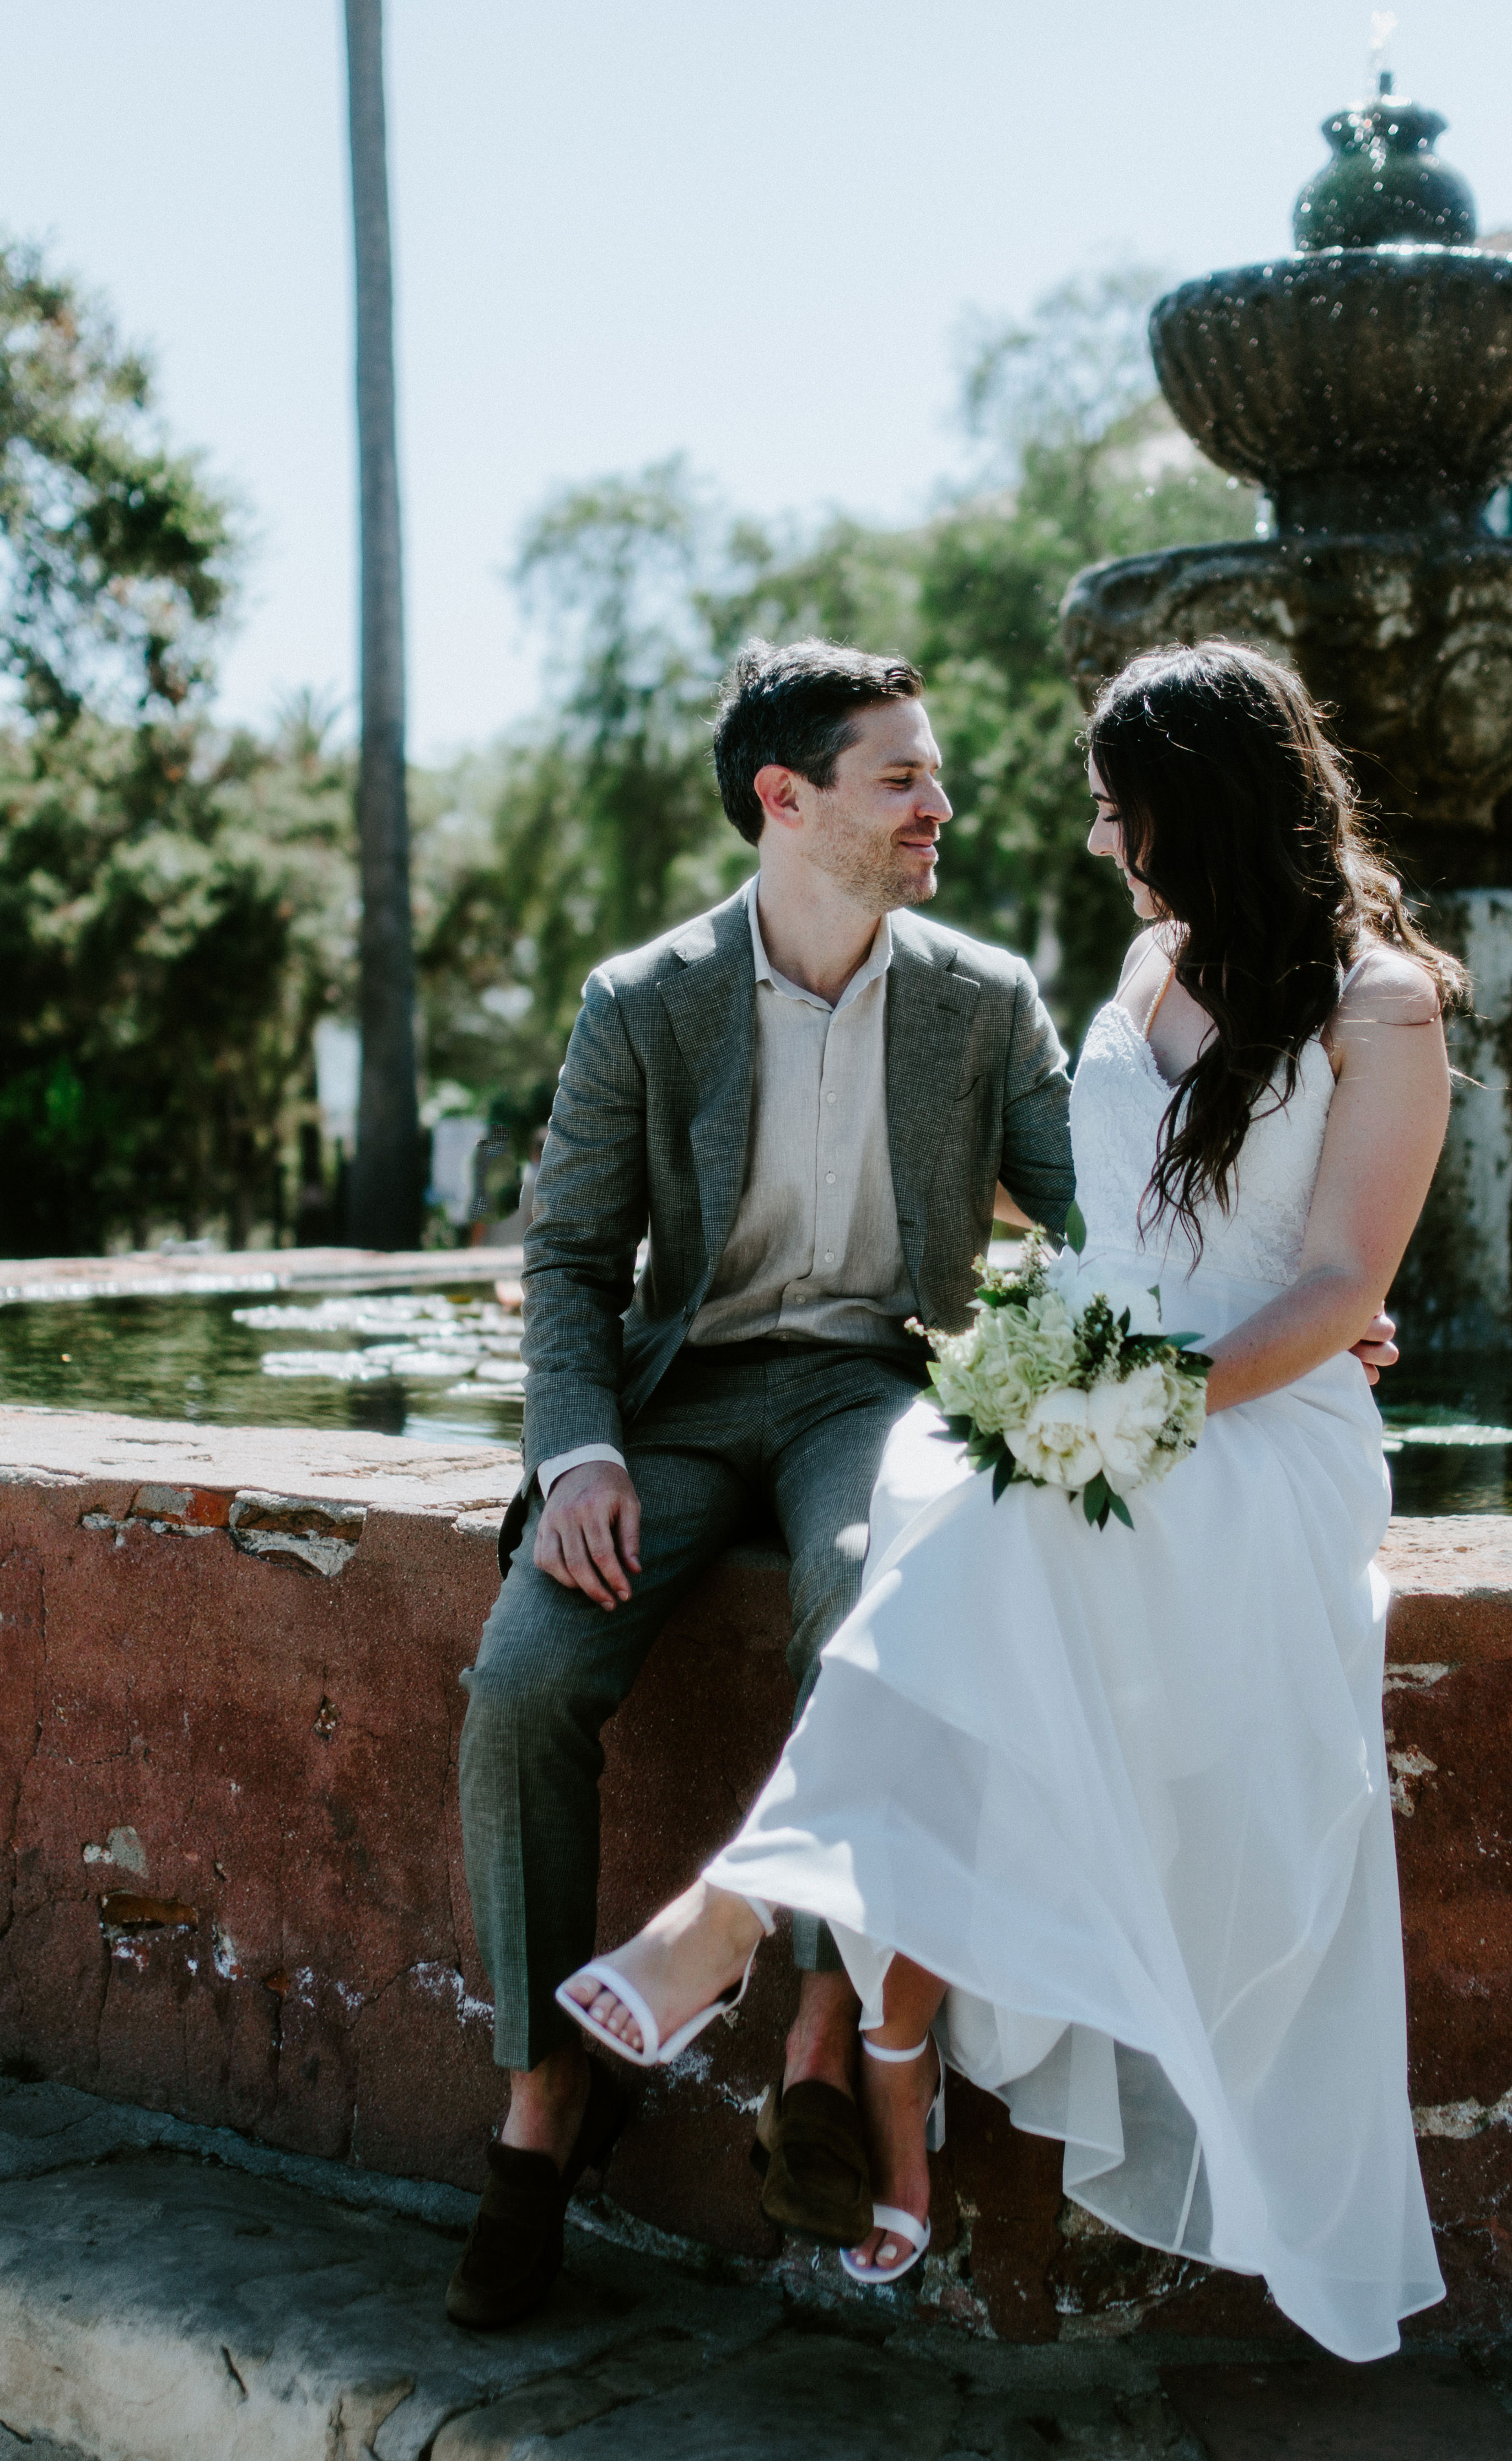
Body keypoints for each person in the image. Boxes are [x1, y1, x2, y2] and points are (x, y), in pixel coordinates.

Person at [550, 637, 1459, 2358]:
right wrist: (1065, 1368)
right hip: (1117, 1392)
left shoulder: (1383, 1002)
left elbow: (1337, 1283)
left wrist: (1159, 1389)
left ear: (1207, 811)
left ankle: (751, 1929)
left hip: (1259, 1430)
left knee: (984, 1516)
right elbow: (1107, 1214)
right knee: (949, 1487)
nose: (1107, 849)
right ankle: (868, 2050)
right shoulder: (1150, 957)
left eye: (1125, 817)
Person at [442, 638, 1080, 2330]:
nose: (941, 803)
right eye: (904, 777)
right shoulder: (642, 1001)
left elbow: (1102, 1220)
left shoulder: (985, 998)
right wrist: (575, 1454)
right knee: (519, 1683)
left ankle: (813, 2027)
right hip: (675, 1400)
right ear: (785, 803)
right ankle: (546, 2098)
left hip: (872, 1384)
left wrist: (1286, 1312)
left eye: (933, 776)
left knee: (871, 1575)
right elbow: (569, 1258)